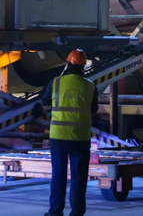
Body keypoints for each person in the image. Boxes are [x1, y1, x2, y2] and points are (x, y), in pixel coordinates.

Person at [42, 49, 99, 216]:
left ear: (68, 64)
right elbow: (93, 110)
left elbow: (45, 104)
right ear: (83, 67)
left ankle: (55, 212)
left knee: (58, 175)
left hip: (59, 136)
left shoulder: (55, 83)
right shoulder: (90, 86)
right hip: (81, 137)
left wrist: (53, 113)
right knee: (79, 177)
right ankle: (77, 213)